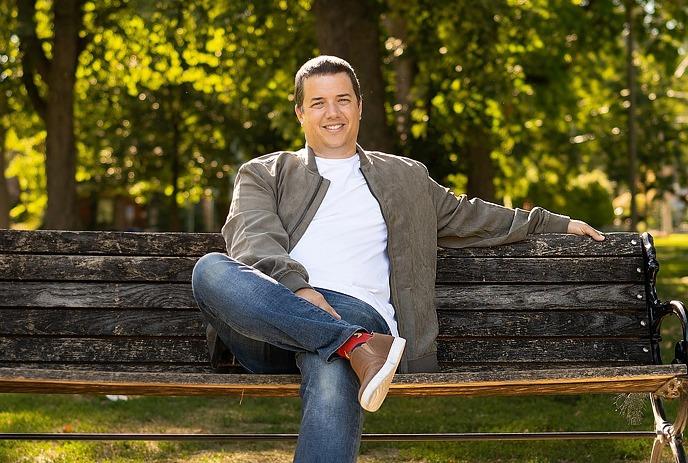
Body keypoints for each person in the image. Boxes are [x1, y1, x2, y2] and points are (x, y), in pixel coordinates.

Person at [191, 55, 604, 463]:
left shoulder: (404, 176)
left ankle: (350, 344)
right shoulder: (265, 173)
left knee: (333, 370)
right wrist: (300, 290)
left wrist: (553, 224)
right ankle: (353, 344)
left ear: (359, 106)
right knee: (210, 269)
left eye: (343, 100)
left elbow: (469, 215)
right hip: (271, 322)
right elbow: (254, 242)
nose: (332, 113)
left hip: (361, 311)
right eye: (318, 103)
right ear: (300, 112)